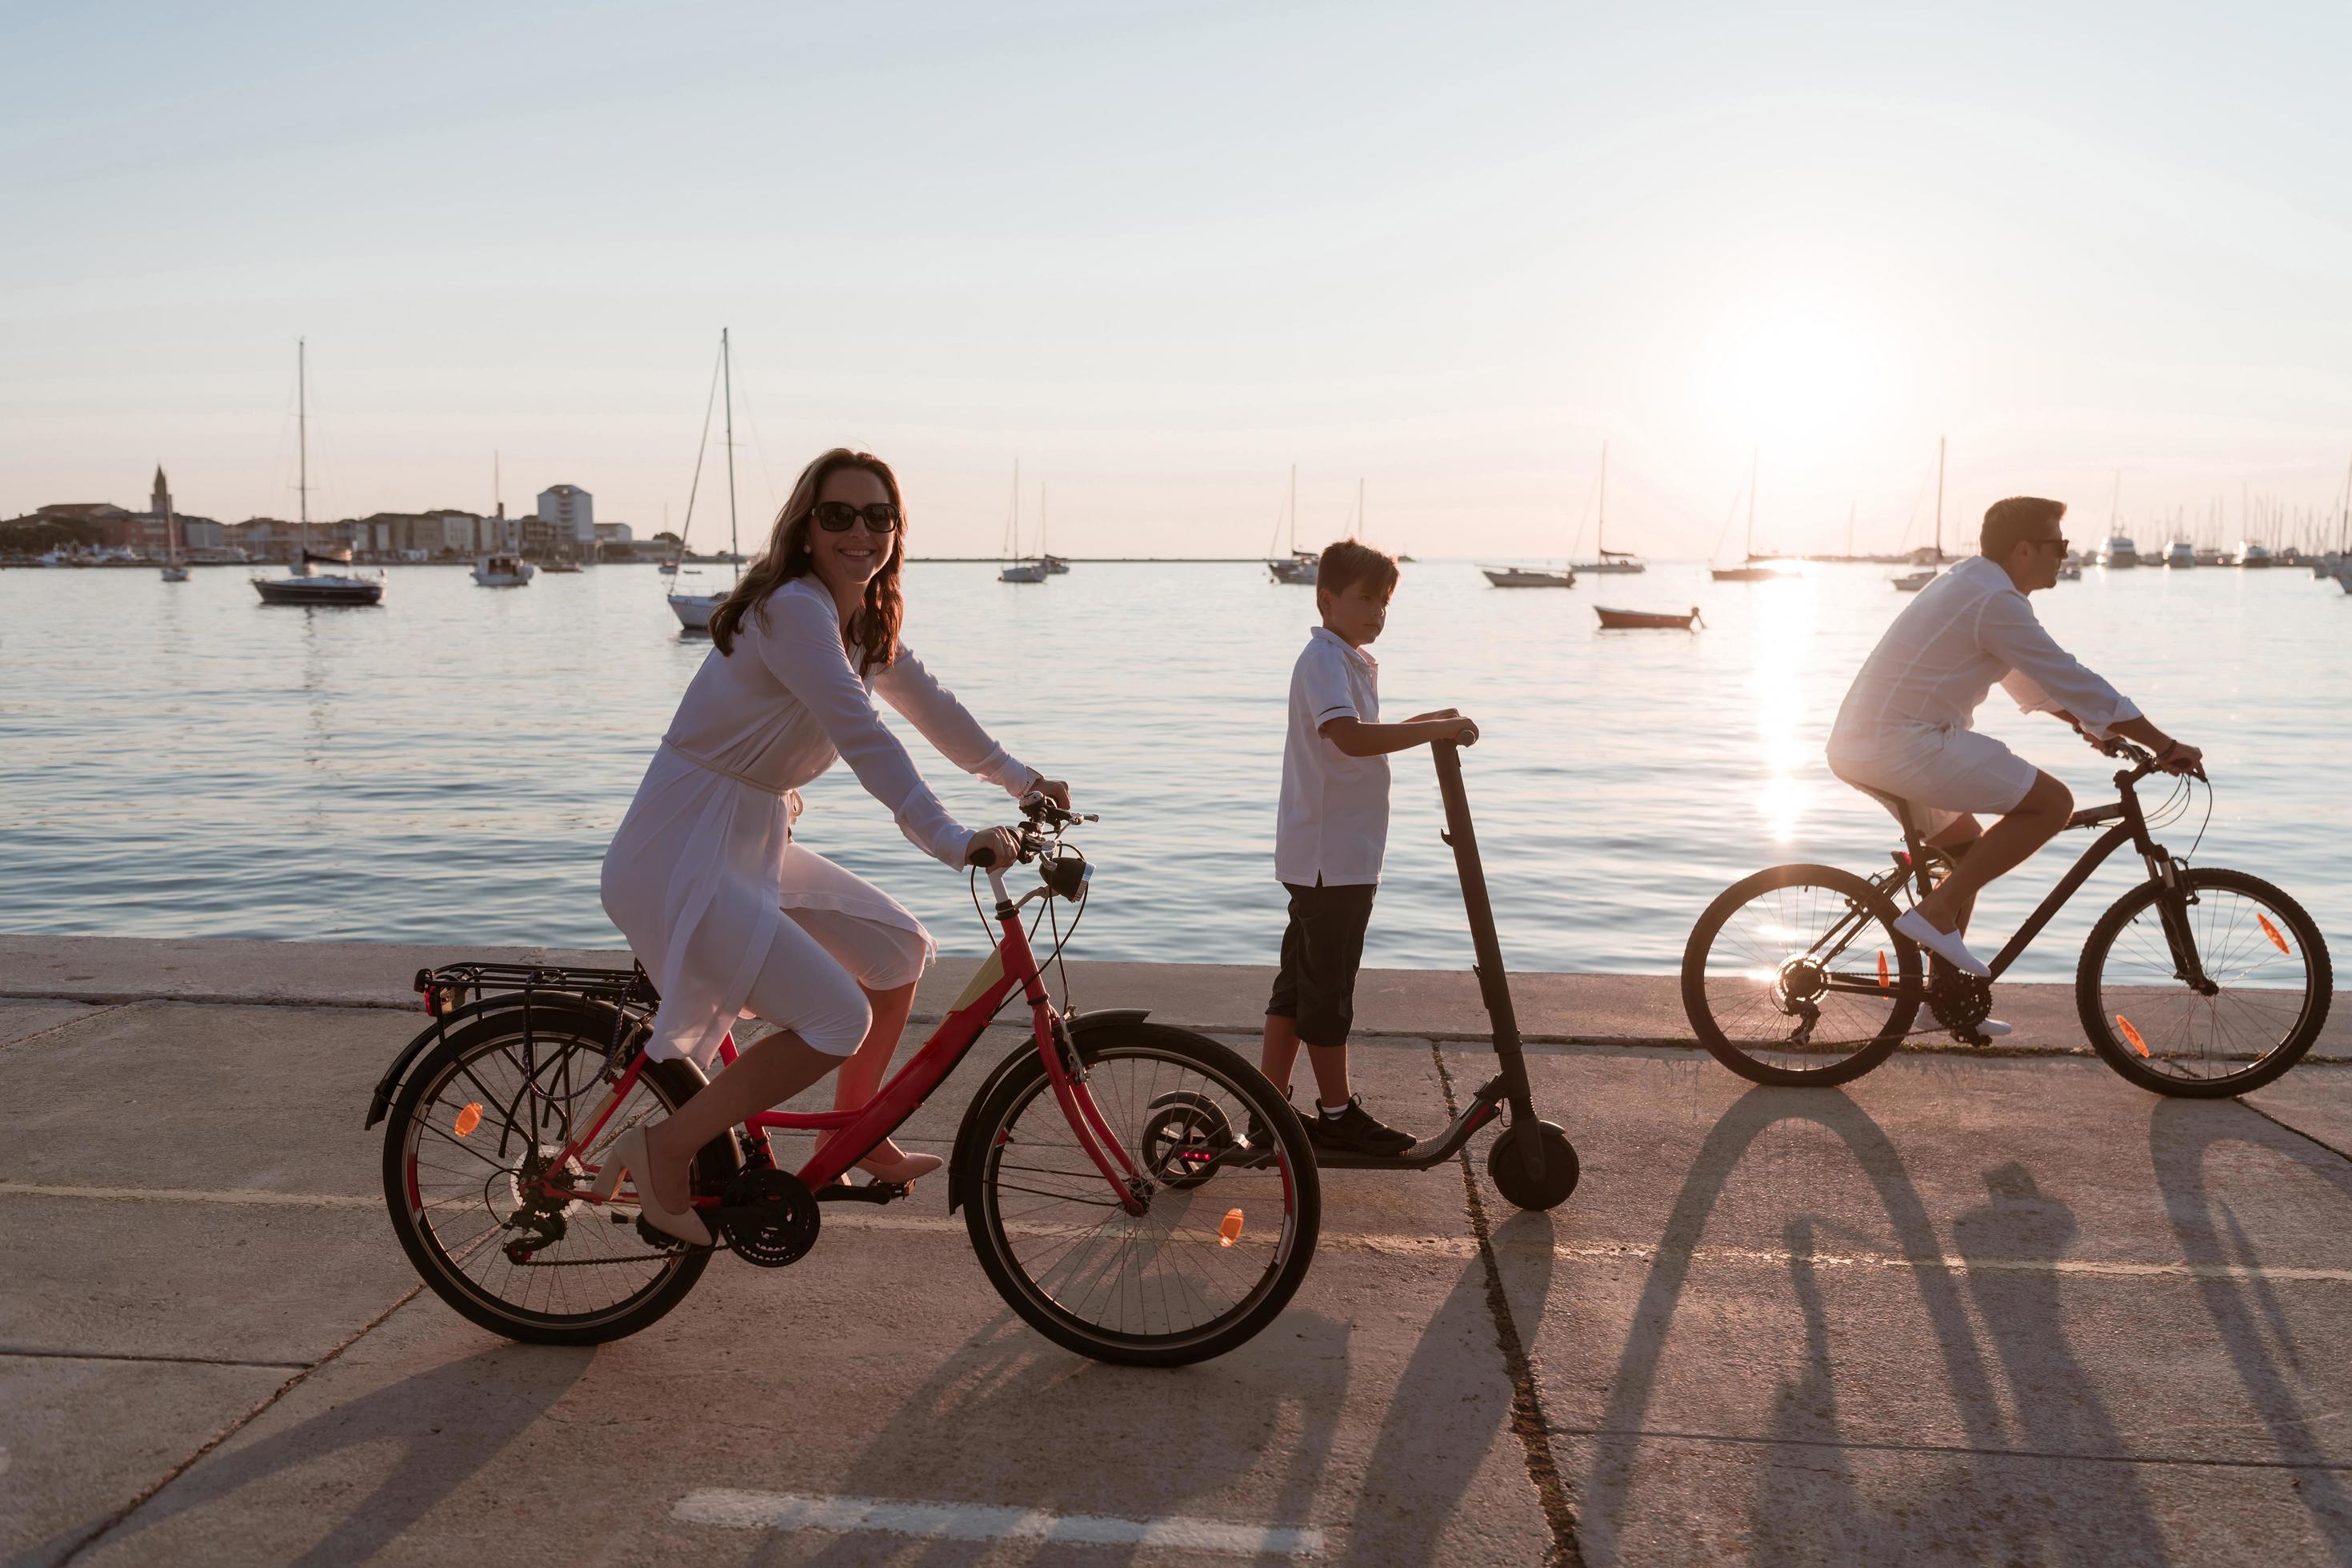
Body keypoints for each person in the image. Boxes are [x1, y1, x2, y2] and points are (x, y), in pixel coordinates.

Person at [594, 448, 1066, 1242]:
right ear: (806, 529)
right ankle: (663, 1147)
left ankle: (853, 1129)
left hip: (748, 838)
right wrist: (952, 840)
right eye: (838, 514)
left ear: (896, 531)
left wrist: (1025, 782)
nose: (860, 531)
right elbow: (863, 734)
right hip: (682, 847)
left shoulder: (861, 622)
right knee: (834, 1017)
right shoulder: (792, 609)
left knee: (898, 953)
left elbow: (933, 709)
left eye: (877, 516)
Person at [1826, 495, 2202, 1029]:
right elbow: (2072, 676)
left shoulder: (1976, 586)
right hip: (1901, 743)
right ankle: (1934, 915)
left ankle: (1943, 1004)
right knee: (2052, 804)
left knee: (1965, 848)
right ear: (2025, 549)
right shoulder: (1995, 600)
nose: (2064, 557)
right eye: (2059, 546)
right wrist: (2165, 745)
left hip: (1871, 743)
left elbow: (2028, 680)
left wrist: (2088, 727)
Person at [1263, 539, 1478, 1155]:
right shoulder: (1325, 660)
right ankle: (1336, 1116)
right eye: (1365, 600)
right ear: (1328, 600)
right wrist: (1434, 730)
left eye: (1385, 602)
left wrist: (1428, 721)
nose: (1377, 612)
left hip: (1325, 855)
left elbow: (1363, 735)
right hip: (1334, 860)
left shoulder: (1344, 660)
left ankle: (1266, 1108)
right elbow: (1348, 739)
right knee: (1327, 992)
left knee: (1299, 988)